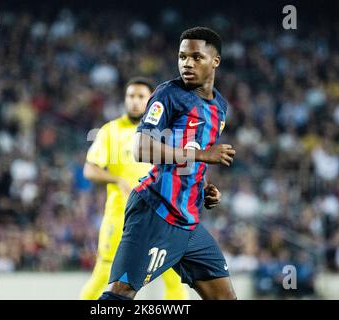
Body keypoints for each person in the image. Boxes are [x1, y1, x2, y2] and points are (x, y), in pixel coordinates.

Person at [99, 27, 237, 300]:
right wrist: (202, 156)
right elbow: (141, 147)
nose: (187, 63)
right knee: (119, 295)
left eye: (196, 57)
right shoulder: (168, 95)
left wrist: (206, 187)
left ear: (215, 61)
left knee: (225, 298)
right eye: (182, 56)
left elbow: (192, 152)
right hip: (155, 210)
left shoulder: (219, 107)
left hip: (189, 221)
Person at [80, 77, 189, 299]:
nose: (135, 101)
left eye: (141, 97)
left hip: (159, 215)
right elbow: (90, 170)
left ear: (151, 101)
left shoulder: (164, 132)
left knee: (173, 276)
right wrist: (117, 180)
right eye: (131, 96)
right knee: (104, 274)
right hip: (120, 215)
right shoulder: (110, 131)